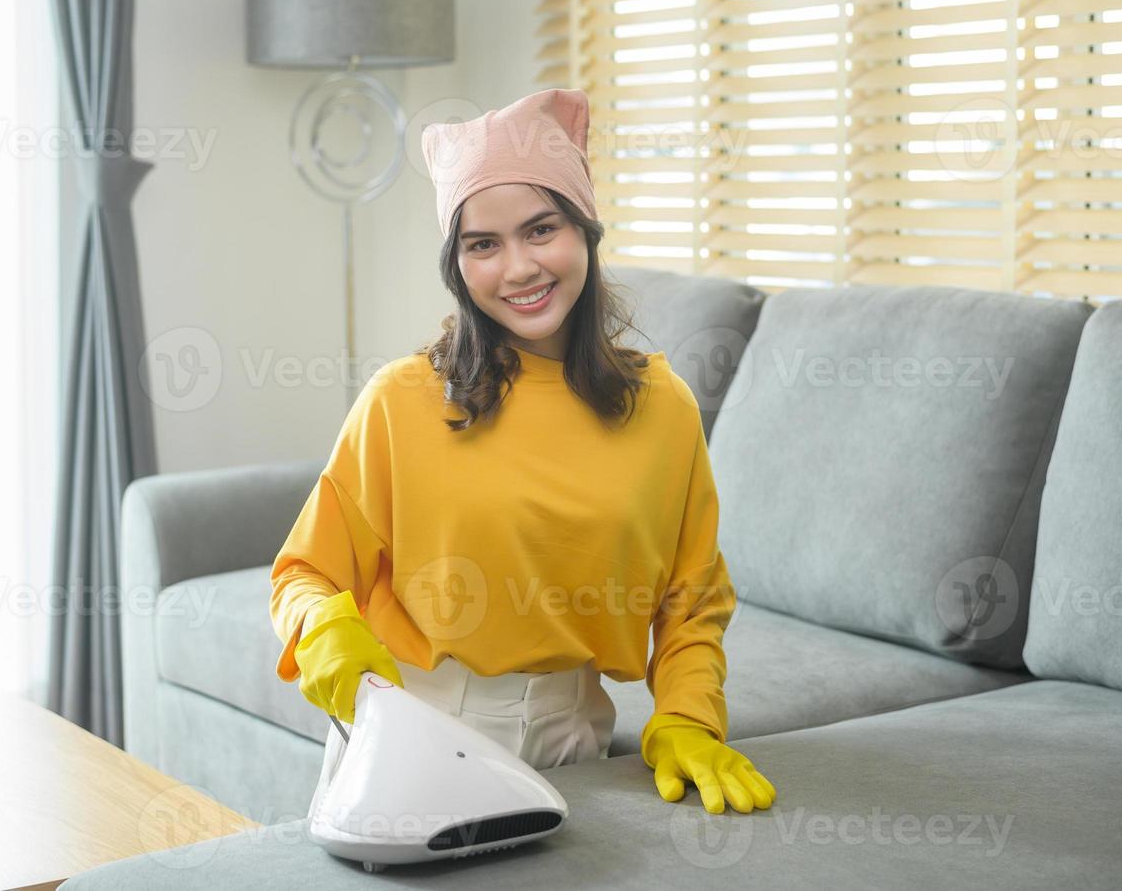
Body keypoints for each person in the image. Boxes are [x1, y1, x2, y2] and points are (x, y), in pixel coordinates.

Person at [269, 87, 777, 819]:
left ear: (586, 232)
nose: (518, 269)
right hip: (411, 730)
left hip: (575, 736)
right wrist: (326, 636)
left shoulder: (662, 408)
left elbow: (690, 598)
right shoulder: (400, 401)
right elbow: (304, 573)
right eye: (483, 244)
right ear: (457, 264)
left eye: (542, 230)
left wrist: (689, 716)